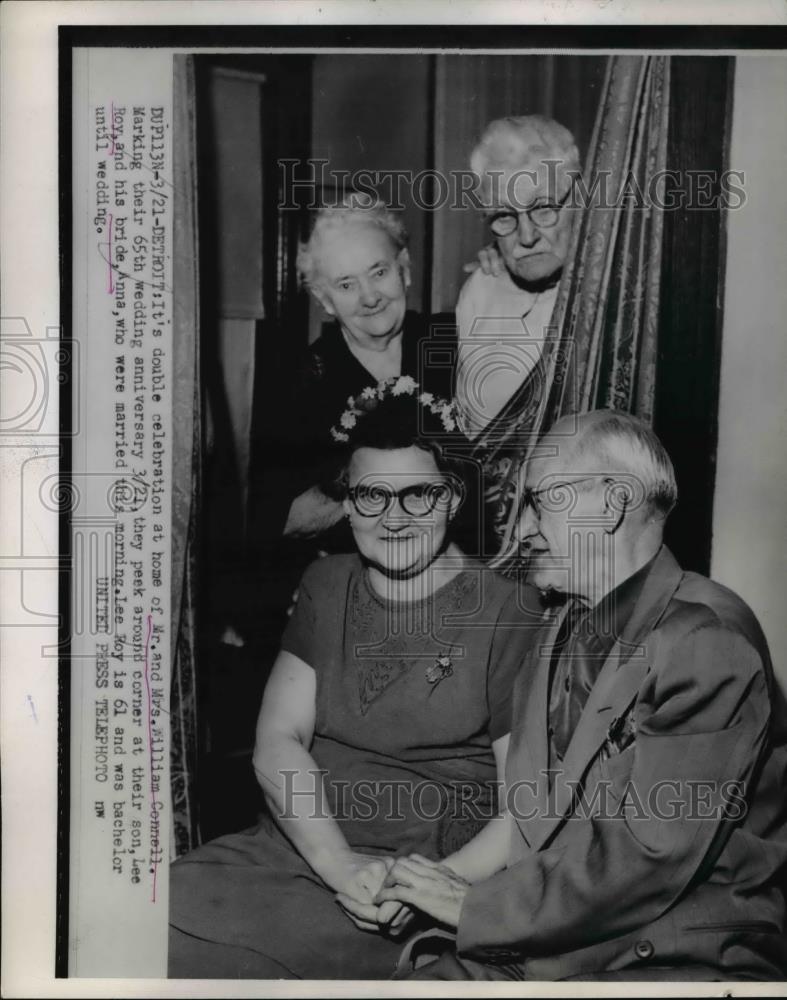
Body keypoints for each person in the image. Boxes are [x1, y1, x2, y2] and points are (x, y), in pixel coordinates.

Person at [363, 410, 787, 981]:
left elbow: (648, 859)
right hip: (565, 927)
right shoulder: (557, 622)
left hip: (666, 949)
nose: (521, 531)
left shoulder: (707, 640)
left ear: (612, 503)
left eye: (540, 501)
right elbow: (533, 813)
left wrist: (472, 905)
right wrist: (432, 884)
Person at [168, 377, 543, 979]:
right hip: (304, 846)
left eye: (418, 496)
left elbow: (527, 803)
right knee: (147, 919)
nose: (392, 519)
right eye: (371, 495)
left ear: (452, 499)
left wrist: (435, 888)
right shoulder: (327, 584)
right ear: (347, 502)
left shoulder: (508, 612)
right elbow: (278, 740)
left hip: (420, 876)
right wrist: (338, 867)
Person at [278, 200, 456, 543]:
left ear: (404, 269)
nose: (370, 297)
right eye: (346, 284)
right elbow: (283, 519)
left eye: (379, 272)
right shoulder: (304, 379)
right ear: (324, 298)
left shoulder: (451, 342)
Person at [454, 115, 580, 440]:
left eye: (543, 208)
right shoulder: (479, 289)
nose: (526, 236)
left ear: (579, 201)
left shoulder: (600, 290)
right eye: (504, 216)